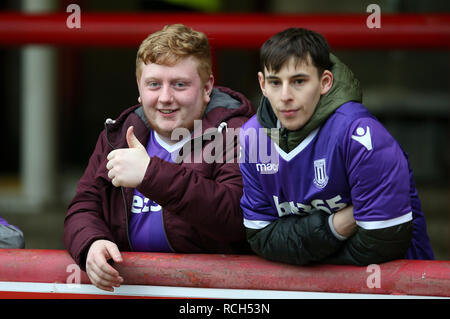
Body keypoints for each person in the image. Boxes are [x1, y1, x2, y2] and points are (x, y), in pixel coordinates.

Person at [63, 24, 254, 291]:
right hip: (128, 290)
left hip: (213, 292)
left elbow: (238, 216)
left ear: (207, 86)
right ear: (140, 90)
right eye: (154, 84)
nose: (165, 98)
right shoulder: (118, 134)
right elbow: (83, 206)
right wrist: (91, 243)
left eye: (179, 84)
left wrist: (149, 174)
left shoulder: (241, 133)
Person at [239, 27, 434, 266]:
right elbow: (261, 237)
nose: (285, 96)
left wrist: (303, 257)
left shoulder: (360, 134)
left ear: (325, 82)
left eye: (299, 81)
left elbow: (382, 244)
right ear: (262, 84)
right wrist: (338, 223)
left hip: (393, 290)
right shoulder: (253, 137)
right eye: (275, 82)